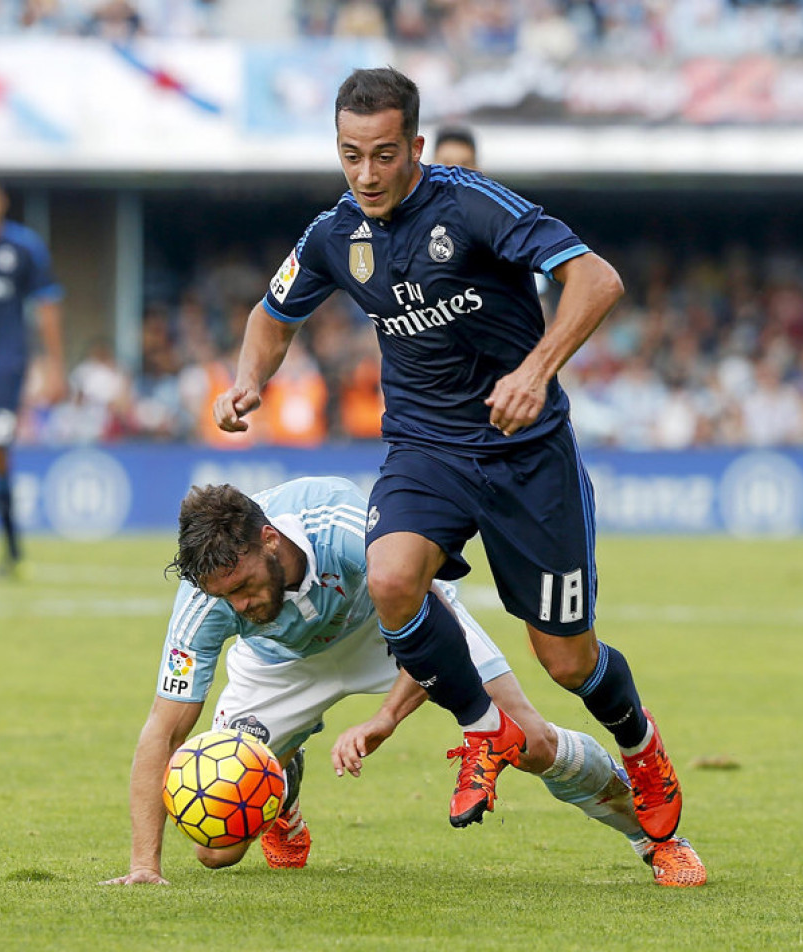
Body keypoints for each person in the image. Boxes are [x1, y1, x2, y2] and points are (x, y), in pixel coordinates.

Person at [214, 67, 684, 842]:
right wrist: (247, 381)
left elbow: (596, 278)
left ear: (416, 147)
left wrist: (535, 372)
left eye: (384, 154)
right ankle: (482, 726)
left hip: (524, 452)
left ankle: (640, 746)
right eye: (350, 154)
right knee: (393, 579)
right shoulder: (334, 233)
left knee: (567, 664)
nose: (366, 173)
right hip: (425, 447)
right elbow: (273, 313)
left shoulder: (469, 203)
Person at [102, 477, 705, 887]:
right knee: (217, 848)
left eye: (241, 587)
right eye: (222, 596)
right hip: (279, 664)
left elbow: (429, 629)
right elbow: (164, 730)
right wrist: (144, 864)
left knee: (530, 740)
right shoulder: (207, 602)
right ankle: (278, 789)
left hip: (393, 624)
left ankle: (654, 839)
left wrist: (386, 716)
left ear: (270, 539)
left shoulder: (347, 528)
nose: (236, 603)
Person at [0, 178, 65, 578]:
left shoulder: (24, 247)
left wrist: (54, 367)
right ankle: (15, 554)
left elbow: (48, 306)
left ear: (1, 204)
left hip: (8, 368)